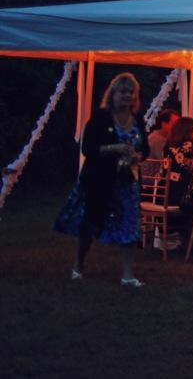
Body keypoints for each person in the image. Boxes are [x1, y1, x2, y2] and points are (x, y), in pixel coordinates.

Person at [55, 72, 147, 286]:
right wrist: (114, 148)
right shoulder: (100, 118)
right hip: (100, 179)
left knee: (130, 224)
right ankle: (79, 264)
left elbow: (145, 148)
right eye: (123, 91)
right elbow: (88, 148)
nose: (127, 96)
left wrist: (138, 156)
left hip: (127, 182)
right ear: (113, 93)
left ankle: (127, 274)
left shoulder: (138, 119)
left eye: (131, 92)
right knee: (91, 223)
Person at [161, 116, 193, 247]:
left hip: (163, 196)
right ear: (188, 131)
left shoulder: (167, 146)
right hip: (181, 198)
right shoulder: (190, 147)